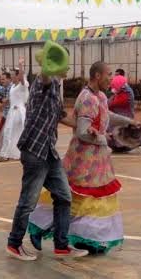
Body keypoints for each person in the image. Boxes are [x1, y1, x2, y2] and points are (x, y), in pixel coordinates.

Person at [28, 61, 132, 255]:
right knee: (73, 199)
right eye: (108, 74)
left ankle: (89, 239)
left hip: (97, 160)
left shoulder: (100, 96)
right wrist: (106, 138)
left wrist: (128, 121)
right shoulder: (87, 98)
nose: (112, 78)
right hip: (83, 159)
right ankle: (40, 227)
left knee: (91, 200)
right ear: (97, 76)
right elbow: (83, 132)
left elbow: (106, 114)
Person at [6, 59, 88, 261]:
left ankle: (61, 245)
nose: (68, 67)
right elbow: (43, 78)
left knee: (64, 196)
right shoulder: (45, 83)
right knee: (27, 202)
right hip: (35, 151)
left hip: (49, 152)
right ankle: (14, 244)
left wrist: (87, 129)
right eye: (65, 63)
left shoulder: (56, 87)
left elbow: (61, 116)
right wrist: (48, 66)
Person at [107, 72, 141, 154]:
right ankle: (119, 146)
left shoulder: (126, 94)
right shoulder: (120, 92)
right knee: (117, 137)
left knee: (121, 136)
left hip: (123, 119)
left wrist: (110, 101)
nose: (113, 88)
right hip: (119, 119)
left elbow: (113, 104)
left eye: (114, 86)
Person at [0, 58, 28, 161]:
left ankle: (7, 155)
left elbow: (22, 76)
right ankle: (11, 153)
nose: (12, 76)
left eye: (13, 74)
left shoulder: (22, 85)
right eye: (11, 75)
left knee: (13, 131)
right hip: (12, 111)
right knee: (10, 132)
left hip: (19, 112)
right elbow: (9, 100)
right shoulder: (12, 87)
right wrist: (1, 102)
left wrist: (20, 65)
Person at [0, 72, 12, 156]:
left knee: (4, 133)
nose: (1, 81)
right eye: (1, 79)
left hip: (10, 115)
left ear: (9, 79)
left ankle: (4, 152)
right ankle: (1, 150)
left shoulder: (11, 88)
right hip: (6, 114)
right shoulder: (5, 87)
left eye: (3, 79)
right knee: (2, 133)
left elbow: (7, 101)